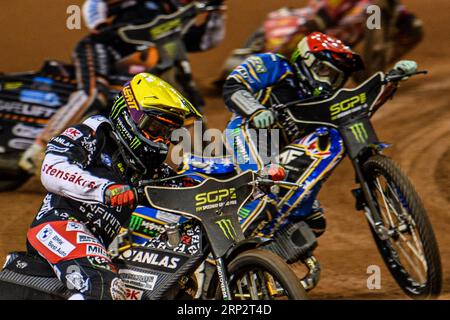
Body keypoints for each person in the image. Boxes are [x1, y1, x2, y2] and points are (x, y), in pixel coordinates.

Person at [222, 31, 417, 240]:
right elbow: (233, 85)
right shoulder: (274, 64)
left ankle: (258, 262)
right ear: (306, 60)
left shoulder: (325, 101)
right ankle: (229, 240)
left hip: (280, 154)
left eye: (335, 78)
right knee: (262, 191)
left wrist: (391, 82)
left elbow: (356, 112)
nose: (328, 82)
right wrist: (256, 110)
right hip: (248, 132)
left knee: (313, 222)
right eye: (324, 71)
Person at [26, 72, 201, 300]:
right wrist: (105, 189)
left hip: (97, 245)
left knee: (177, 284)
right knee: (104, 285)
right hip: (57, 226)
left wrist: (244, 180)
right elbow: (51, 169)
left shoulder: (147, 167)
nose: (162, 141)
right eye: (156, 129)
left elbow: (189, 184)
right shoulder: (92, 134)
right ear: (128, 114)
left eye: (168, 134)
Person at [19, 0, 225, 175]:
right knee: (93, 94)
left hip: (136, 67)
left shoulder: (173, 19)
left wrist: (217, 12)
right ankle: (40, 147)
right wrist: (100, 26)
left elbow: (205, 41)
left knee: (170, 107)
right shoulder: (140, 6)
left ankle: (198, 165)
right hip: (102, 47)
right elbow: (95, 3)